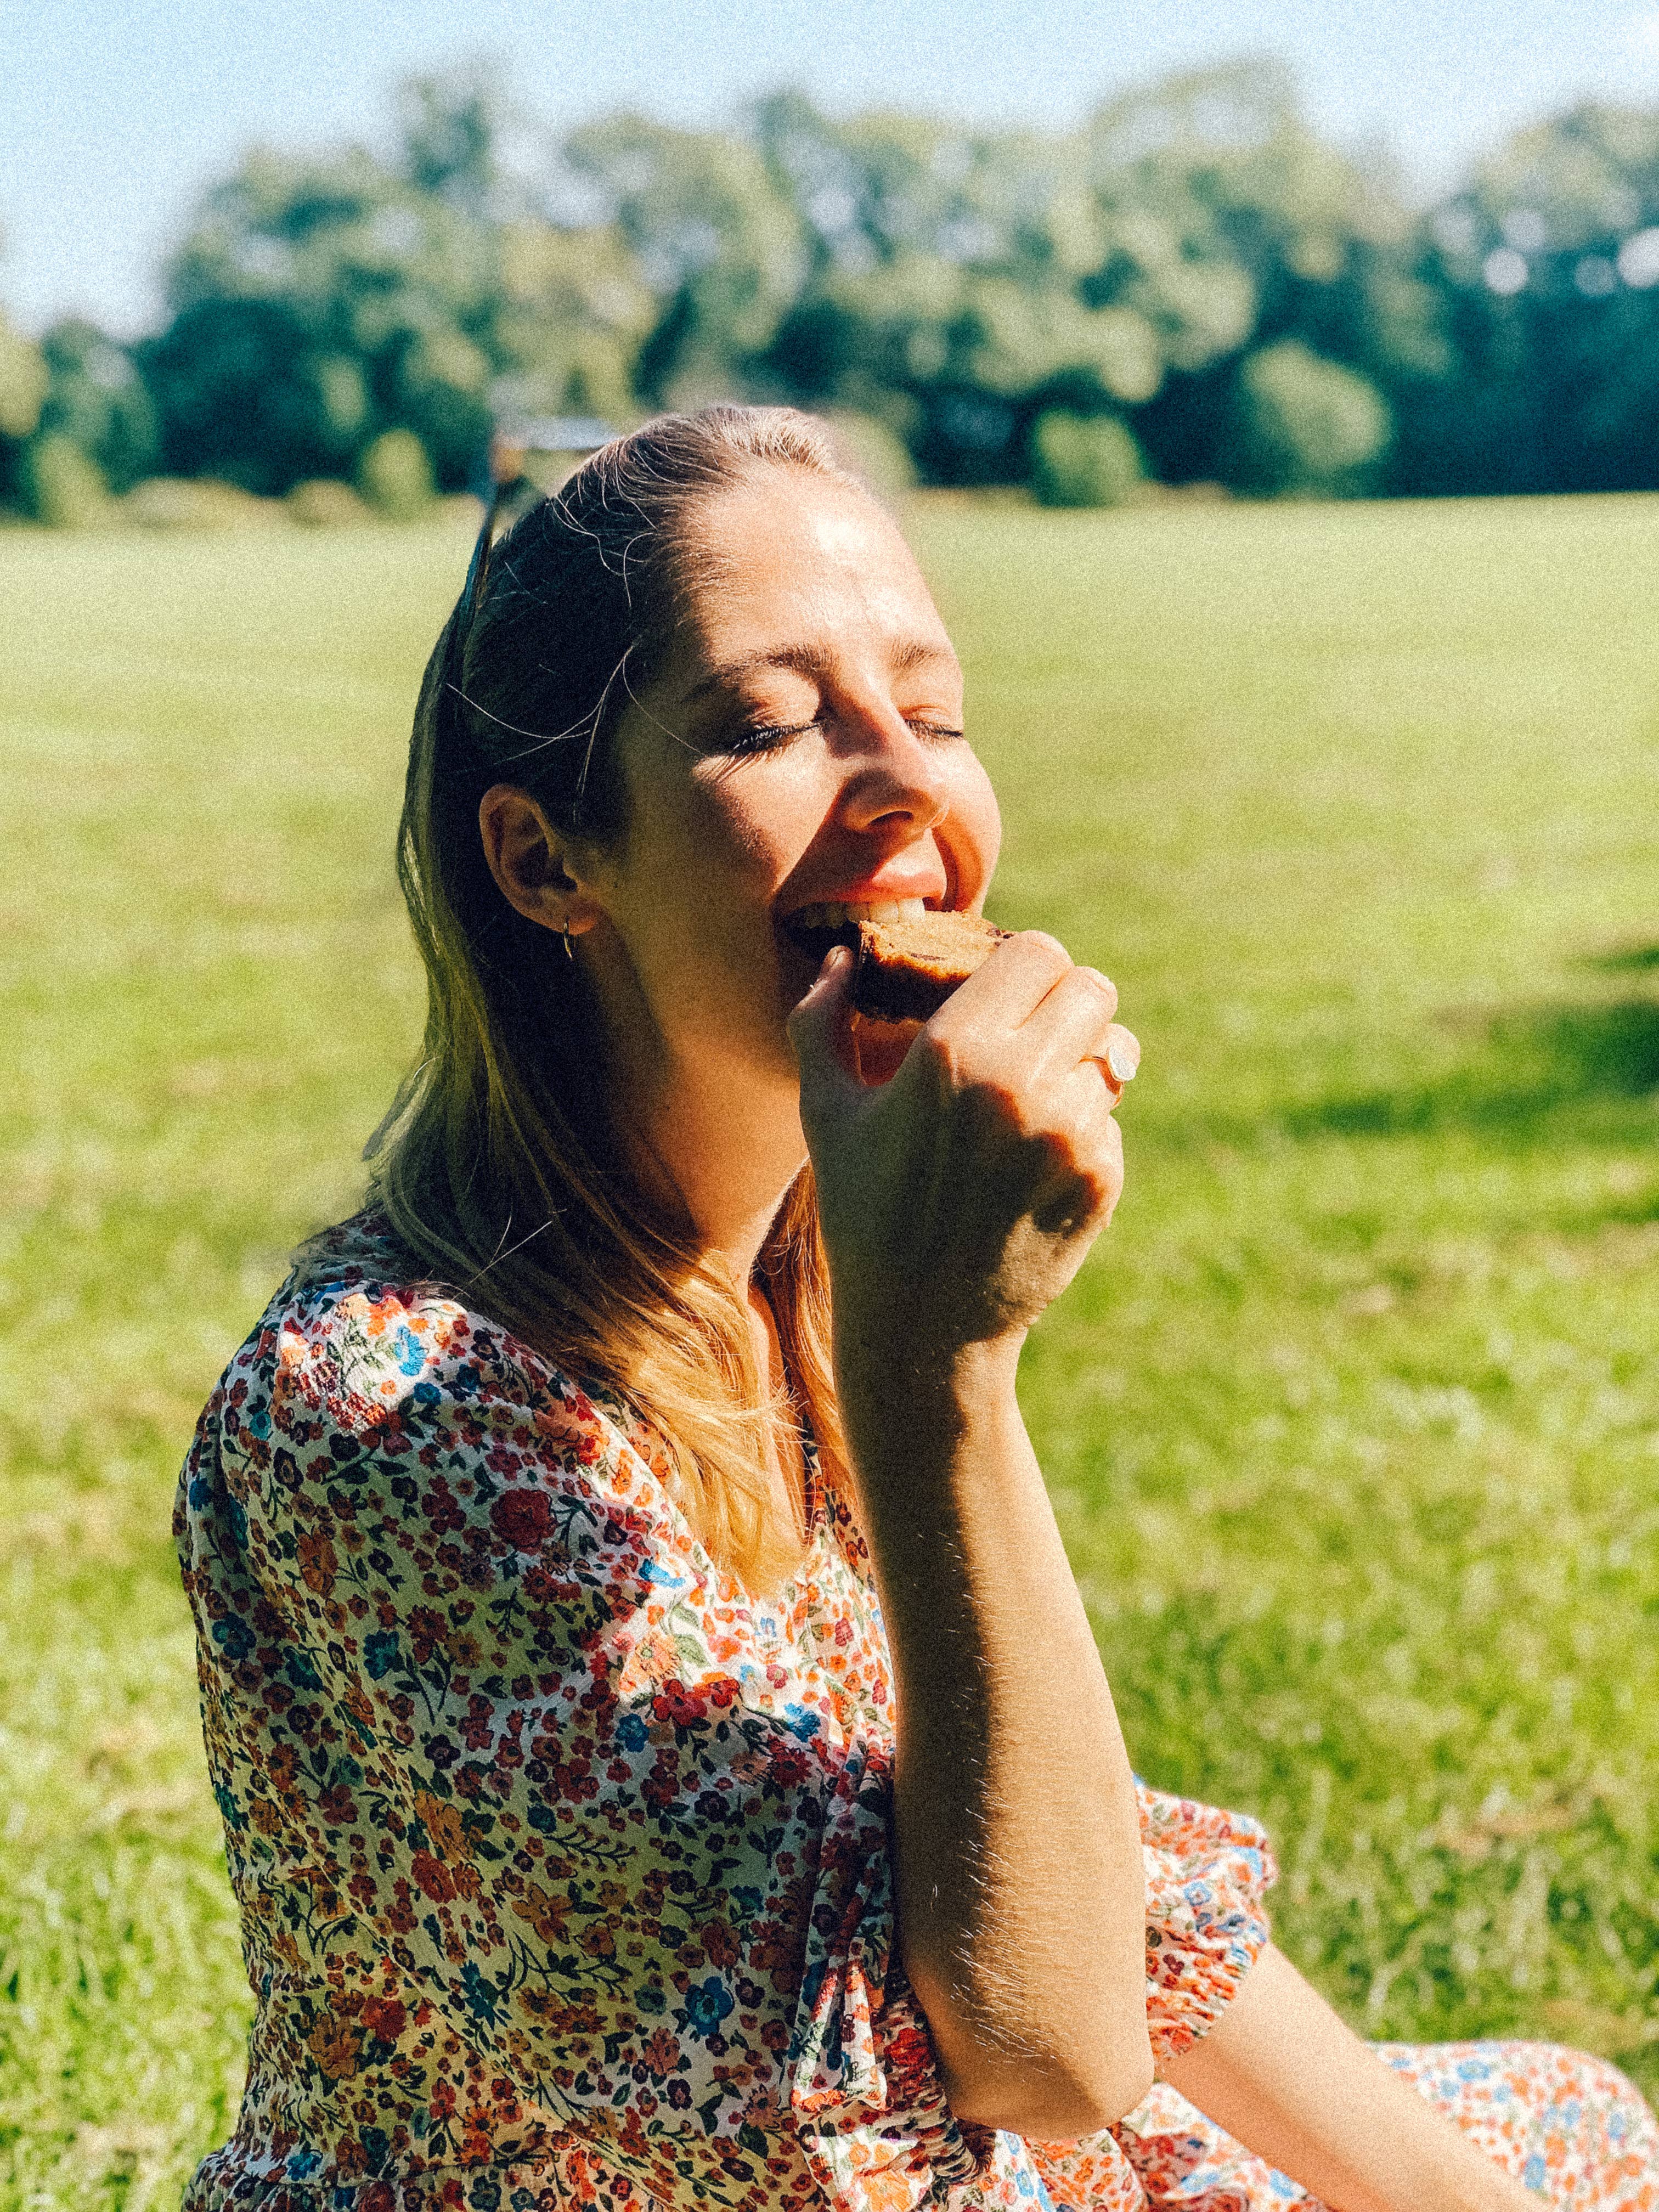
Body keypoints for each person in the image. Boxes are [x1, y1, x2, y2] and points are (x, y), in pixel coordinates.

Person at [176, 406, 1657, 2212]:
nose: (907, 789)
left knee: (1573, 2133)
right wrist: (944, 1366)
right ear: (550, 860)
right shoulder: (390, 1422)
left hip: (961, 2140)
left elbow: (1091, 1877)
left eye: (935, 713)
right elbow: (1036, 2053)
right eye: (772, 722)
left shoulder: (803, 1261)